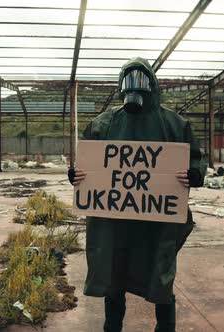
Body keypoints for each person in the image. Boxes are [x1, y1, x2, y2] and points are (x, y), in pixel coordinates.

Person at [68, 57, 206, 332]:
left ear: (152, 85)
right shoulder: (103, 123)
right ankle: (112, 327)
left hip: (157, 221)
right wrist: (77, 175)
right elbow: (89, 164)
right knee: (113, 274)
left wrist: (194, 174)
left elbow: (195, 159)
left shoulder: (174, 123)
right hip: (114, 221)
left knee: (159, 274)